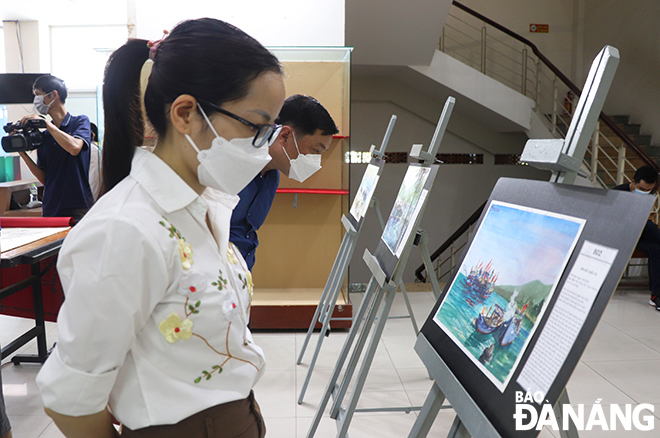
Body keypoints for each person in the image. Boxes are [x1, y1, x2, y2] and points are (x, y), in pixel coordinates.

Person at [35, 18, 285, 438]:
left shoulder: (206, 204)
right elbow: (70, 398)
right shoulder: (125, 228)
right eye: (255, 127)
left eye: (271, 130)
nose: (265, 146)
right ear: (186, 114)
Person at [230, 94, 338, 270]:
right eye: (315, 150)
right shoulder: (234, 167)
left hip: (240, 273)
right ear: (286, 136)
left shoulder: (272, 177)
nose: (316, 160)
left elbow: (247, 233)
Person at [18, 75, 94, 219]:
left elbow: (74, 148)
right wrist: (22, 153)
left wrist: (47, 124)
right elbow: (45, 178)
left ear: (54, 95)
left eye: (39, 95)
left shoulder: (80, 122)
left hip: (78, 208)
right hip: (51, 208)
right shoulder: (45, 136)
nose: (36, 101)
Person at [613, 165, 660, 310]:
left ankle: (656, 296)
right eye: (643, 188)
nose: (646, 192)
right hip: (622, 234)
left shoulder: (650, 193)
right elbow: (611, 221)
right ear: (633, 181)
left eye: (649, 190)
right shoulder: (617, 193)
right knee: (652, 233)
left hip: (640, 231)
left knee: (656, 250)